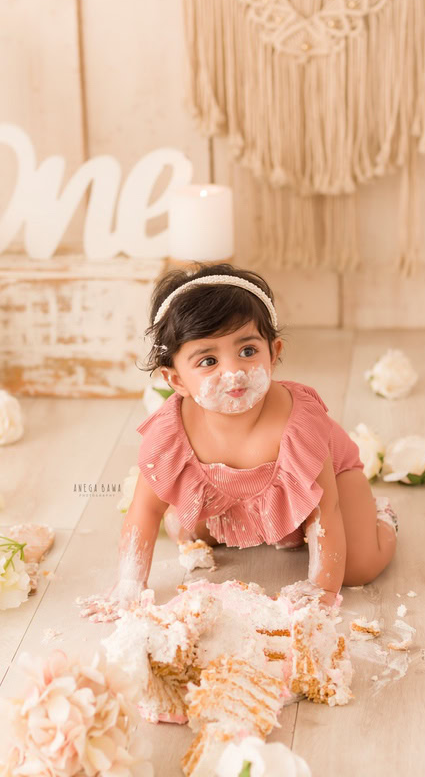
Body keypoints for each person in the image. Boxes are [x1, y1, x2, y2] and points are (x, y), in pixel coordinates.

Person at [79, 262, 397, 623]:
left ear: (273, 353)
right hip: (235, 497)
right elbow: (145, 511)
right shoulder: (170, 435)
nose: (233, 372)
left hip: (329, 489)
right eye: (208, 360)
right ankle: (265, 525)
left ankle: (381, 517)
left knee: (357, 568)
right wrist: (129, 586)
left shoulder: (298, 425)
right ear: (176, 380)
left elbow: (326, 511)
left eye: (247, 351)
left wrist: (322, 589)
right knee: (184, 531)